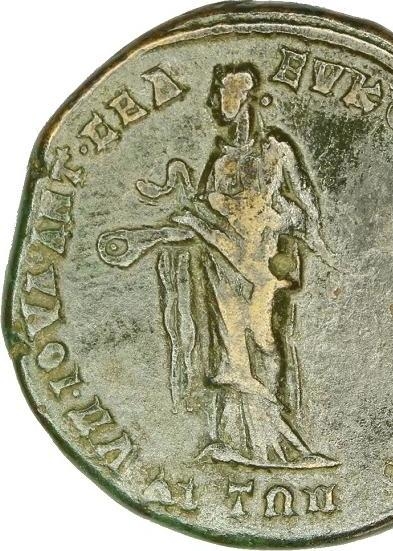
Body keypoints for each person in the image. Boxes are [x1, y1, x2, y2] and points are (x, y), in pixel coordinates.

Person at [98, 64, 338, 469]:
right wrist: (152, 237)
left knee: (264, 341)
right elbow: (201, 219)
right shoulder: (222, 162)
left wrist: (283, 221)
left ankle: (277, 439)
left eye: (222, 92)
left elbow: (307, 209)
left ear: (245, 97)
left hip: (260, 268)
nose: (213, 101)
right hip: (221, 263)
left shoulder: (277, 152)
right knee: (231, 352)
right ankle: (238, 443)